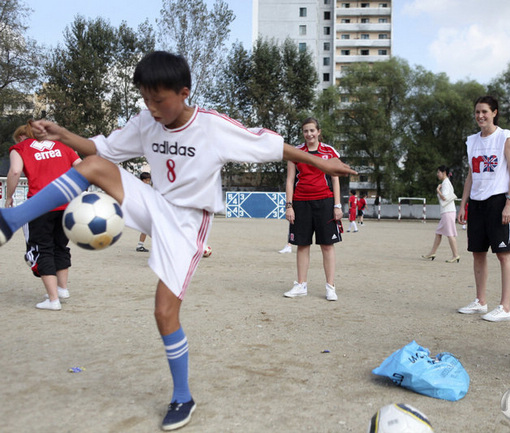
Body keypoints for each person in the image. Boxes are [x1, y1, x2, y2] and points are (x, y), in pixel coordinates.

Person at [0, 51, 355, 431]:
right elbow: (100, 149)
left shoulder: (212, 127)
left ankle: (182, 396)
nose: (151, 109)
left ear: (184, 92)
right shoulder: (145, 122)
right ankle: (11, 219)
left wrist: (321, 163)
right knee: (92, 165)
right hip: (155, 204)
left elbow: (272, 148)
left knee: (164, 312)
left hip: (187, 223)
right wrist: (64, 135)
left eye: (159, 100)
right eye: (145, 100)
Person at [5, 122, 81, 310]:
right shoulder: (63, 145)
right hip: (66, 203)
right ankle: (62, 289)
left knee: (41, 248)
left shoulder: (20, 147)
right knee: (60, 245)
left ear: (23, 136)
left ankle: (53, 299)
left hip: (40, 205)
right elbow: (81, 166)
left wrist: (9, 196)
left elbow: (15, 171)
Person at [457, 95, 510, 322]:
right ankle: (480, 301)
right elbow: (470, 176)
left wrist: (509, 203)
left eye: (484, 111)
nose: (480, 116)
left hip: (498, 201)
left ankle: (505, 307)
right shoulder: (472, 141)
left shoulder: (506, 137)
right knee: (478, 253)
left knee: (503, 255)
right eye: (477, 112)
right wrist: (463, 204)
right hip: (477, 203)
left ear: (494, 112)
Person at [283, 117, 344, 301]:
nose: (308, 134)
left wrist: (337, 205)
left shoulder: (329, 151)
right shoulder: (295, 152)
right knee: (302, 245)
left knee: (327, 245)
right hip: (301, 203)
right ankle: (301, 285)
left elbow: (335, 178)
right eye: (305, 131)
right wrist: (289, 206)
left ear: (318, 132)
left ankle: (330, 287)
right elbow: (290, 180)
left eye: (312, 130)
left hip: (325, 202)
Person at [422, 165, 459, 262]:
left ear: (444, 173)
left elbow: (445, 197)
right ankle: (432, 252)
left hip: (448, 212)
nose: (437, 174)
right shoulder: (446, 182)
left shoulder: (446, 183)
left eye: (438, 172)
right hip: (446, 212)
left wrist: (438, 190)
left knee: (450, 234)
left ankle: (455, 255)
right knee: (438, 233)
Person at [136, 171, 152, 252]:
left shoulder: (146, 188)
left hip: (146, 211)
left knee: (145, 230)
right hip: (144, 211)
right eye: (146, 180)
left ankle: (140, 245)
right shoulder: (141, 188)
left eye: (148, 180)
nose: (147, 182)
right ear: (142, 180)